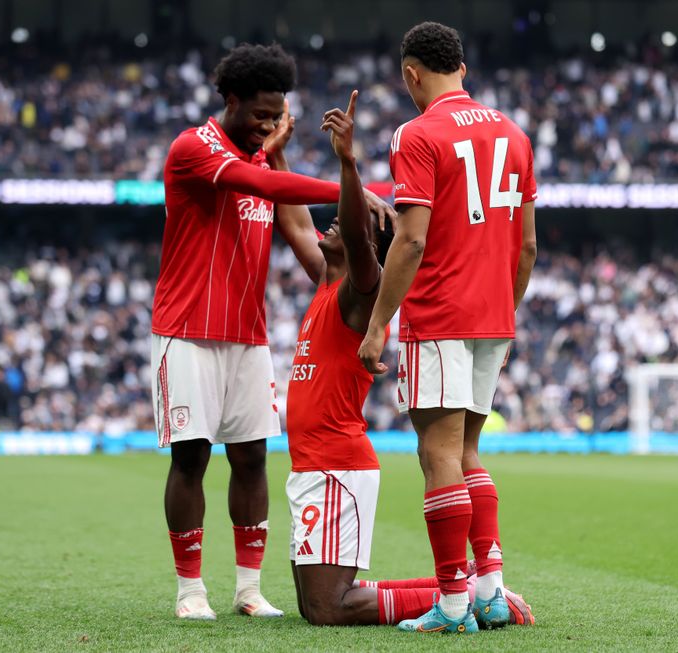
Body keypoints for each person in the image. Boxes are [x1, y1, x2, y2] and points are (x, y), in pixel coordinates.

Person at [152, 43, 393, 621]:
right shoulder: (196, 148)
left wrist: (292, 164)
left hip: (248, 337)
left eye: (276, 113)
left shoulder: (264, 164)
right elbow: (272, 191)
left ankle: (247, 589)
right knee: (190, 459)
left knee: (253, 459)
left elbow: (306, 242)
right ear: (231, 100)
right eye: (259, 113)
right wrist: (352, 189)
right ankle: (190, 590)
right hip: (187, 330)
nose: (267, 123)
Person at [285, 90, 533, 630]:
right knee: (315, 603)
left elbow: (359, 233)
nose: (327, 227)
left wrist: (349, 165)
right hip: (312, 462)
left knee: (327, 609)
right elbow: (298, 225)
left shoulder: (359, 290)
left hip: (336, 461)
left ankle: (457, 597)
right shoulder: (326, 283)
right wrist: (274, 158)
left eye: (341, 227)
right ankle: (469, 587)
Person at [357, 22, 539, 633]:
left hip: (439, 311)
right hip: (493, 313)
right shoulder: (514, 134)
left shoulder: (417, 132)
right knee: (467, 453)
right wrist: (506, 317)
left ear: (412, 73)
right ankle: (489, 591)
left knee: (437, 455)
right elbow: (529, 248)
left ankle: (454, 605)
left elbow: (410, 240)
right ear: (461, 65)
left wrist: (380, 323)